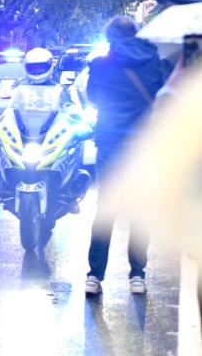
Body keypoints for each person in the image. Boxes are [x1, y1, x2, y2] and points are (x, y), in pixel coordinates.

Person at [83, 16, 163, 297]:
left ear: (111, 37)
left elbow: (92, 98)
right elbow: (160, 98)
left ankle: (94, 276)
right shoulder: (153, 60)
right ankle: (137, 275)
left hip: (110, 144)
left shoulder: (101, 64)